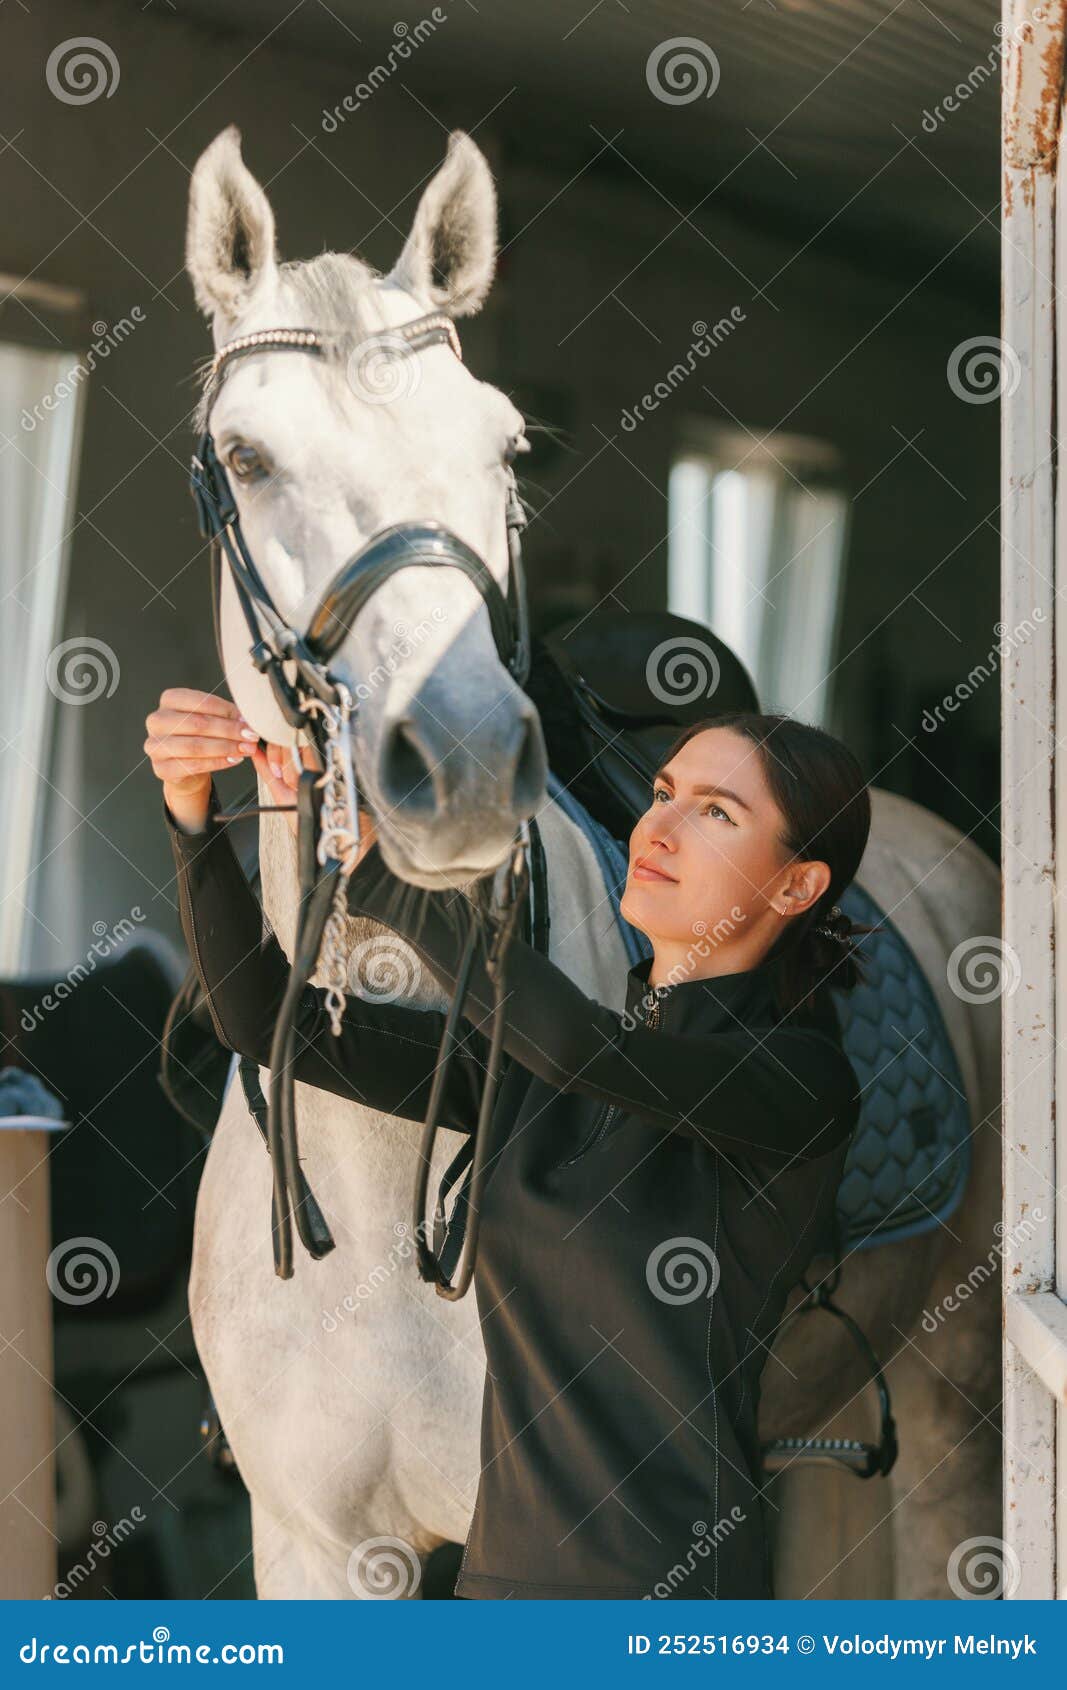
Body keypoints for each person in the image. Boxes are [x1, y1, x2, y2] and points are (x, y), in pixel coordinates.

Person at [146, 686, 870, 1600]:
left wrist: (385, 880)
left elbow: (578, 1047)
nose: (660, 829)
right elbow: (261, 1023)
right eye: (661, 793)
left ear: (796, 885)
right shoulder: (539, 1071)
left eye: (716, 812)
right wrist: (191, 812)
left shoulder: (799, 1083)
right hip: (499, 1591)